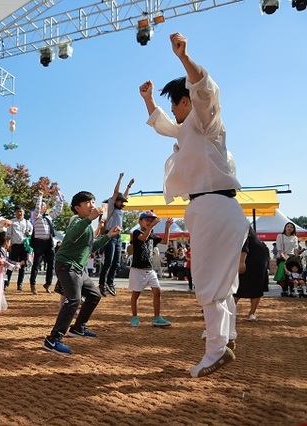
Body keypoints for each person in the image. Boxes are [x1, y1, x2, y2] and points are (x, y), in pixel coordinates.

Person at [139, 32, 249, 378]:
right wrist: (147, 100)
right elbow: (165, 127)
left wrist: (184, 58)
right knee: (222, 283)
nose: (172, 110)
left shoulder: (204, 121)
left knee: (208, 283)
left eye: (175, 103)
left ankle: (216, 351)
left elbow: (205, 91)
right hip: (216, 208)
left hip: (213, 208)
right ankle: (226, 337)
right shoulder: (189, 131)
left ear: (186, 102)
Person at [43, 191, 121, 355]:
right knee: (74, 300)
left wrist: (108, 235)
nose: (92, 205)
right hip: (66, 265)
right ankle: (53, 339)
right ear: (77, 208)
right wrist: (90, 219)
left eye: (93, 201)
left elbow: (91, 247)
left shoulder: (87, 224)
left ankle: (78, 328)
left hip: (78, 268)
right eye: (88, 203)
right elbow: (71, 236)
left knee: (94, 295)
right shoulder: (76, 221)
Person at [128, 211, 174, 327]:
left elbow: (165, 242)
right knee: (136, 294)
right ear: (140, 221)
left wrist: (167, 228)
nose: (149, 222)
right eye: (147, 220)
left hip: (149, 268)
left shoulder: (152, 235)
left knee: (157, 292)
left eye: (151, 220)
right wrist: (152, 226)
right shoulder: (136, 232)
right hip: (138, 269)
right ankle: (134, 317)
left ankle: (157, 317)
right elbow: (143, 238)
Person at [98, 173, 134, 297]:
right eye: (120, 200)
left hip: (118, 236)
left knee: (116, 263)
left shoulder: (120, 210)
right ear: (116, 201)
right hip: (110, 235)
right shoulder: (111, 206)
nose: (122, 202)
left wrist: (129, 186)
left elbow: (125, 195)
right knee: (108, 262)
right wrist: (120, 179)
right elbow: (116, 192)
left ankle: (110, 283)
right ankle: (102, 284)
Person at [29, 191, 64, 295]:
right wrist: (40, 197)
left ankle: (48, 284)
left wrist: (61, 199)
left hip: (49, 243)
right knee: (36, 264)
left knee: (50, 264)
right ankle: (33, 284)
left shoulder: (49, 217)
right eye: (41, 206)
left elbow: (58, 211)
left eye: (44, 206)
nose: (42, 207)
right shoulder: (35, 216)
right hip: (39, 243)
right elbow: (37, 209)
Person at [235, 227, 269, 322]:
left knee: (238, 287)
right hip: (257, 258)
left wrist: (241, 262)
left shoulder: (241, 228)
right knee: (241, 287)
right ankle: (249, 313)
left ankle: (249, 313)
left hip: (253, 259)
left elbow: (244, 246)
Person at [6, 206, 32, 290]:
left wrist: (29, 233)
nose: (19, 213)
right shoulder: (12, 222)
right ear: (15, 212)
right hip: (15, 245)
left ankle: (20, 284)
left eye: (21, 211)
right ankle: (6, 283)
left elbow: (32, 231)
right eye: (17, 211)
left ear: (24, 212)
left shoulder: (27, 222)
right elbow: (9, 234)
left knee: (23, 264)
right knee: (10, 264)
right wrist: (8, 245)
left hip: (24, 246)